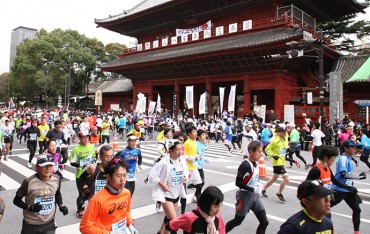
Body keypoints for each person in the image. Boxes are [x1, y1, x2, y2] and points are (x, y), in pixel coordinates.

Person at [80, 157, 139, 234]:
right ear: (108, 177)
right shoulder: (97, 200)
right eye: (118, 176)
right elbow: (85, 227)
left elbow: (126, 211)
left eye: (124, 175)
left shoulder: (127, 193)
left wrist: (130, 224)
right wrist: (109, 233)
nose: (122, 180)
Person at [13, 154, 68, 234]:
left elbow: (57, 194)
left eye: (50, 165)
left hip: (49, 223)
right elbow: (16, 200)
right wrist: (30, 208)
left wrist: (61, 205)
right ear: (37, 167)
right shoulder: (28, 182)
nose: (48, 168)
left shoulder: (56, 179)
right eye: (44, 166)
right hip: (31, 224)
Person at [225, 140, 269, 233]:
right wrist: (252, 189)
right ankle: (221, 232)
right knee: (237, 221)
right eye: (259, 151)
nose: (261, 154)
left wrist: (258, 184)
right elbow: (238, 183)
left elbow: (253, 178)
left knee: (264, 222)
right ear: (251, 152)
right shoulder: (245, 165)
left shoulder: (256, 163)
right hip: (244, 196)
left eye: (262, 151)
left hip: (255, 196)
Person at [149, 140, 189, 234]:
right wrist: (162, 184)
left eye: (181, 149)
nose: (180, 152)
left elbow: (186, 172)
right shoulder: (164, 162)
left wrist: (185, 177)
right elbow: (152, 177)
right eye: (177, 150)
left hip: (177, 193)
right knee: (174, 221)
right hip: (166, 194)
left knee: (168, 219)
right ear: (170, 151)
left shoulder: (182, 159)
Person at [331, 140, 366, 234]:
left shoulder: (349, 158)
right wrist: (358, 177)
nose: (355, 149)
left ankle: (356, 232)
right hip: (339, 189)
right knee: (324, 208)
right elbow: (343, 174)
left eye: (355, 147)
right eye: (352, 147)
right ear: (346, 148)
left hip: (349, 189)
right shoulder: (343, 158)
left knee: (357, 209)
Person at [261, 127, 298, 202]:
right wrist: (272, 155)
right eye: (283, 132)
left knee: (274, 178)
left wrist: (288, 151)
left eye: (285, 132)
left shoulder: (284, 140)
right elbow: (267, 149)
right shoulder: (275, 141)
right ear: (278, 133)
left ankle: (263, 189)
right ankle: (279, 193)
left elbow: (282, 153)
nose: (285, 133)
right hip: (277, 163)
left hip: (281, 162)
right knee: (286, 179)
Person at [69, 130, 96, 218]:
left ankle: (90, 209)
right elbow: (72, 162)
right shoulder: (76, 149)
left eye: (87, 137)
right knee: (82, 194)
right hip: (80, 175)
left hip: (90, 174)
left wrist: (93, 164)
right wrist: (81, 165)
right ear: (79, 138)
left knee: (91, 193)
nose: (85, 139)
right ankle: (79, 210)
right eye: (83, 137)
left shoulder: (91, 147)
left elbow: (94, 158)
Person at [183, 125, 203, 203]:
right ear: (189, 133)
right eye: (194, 132)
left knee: (200, 184)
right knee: (182, 189)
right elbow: (183, 155)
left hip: (194, 168)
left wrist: (197, 158)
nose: (195, 133)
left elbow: (195, 154)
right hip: (187, 169)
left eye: (196, 131)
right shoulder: (186, 143)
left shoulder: (194, 142)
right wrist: (193, 157)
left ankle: (199, 203)